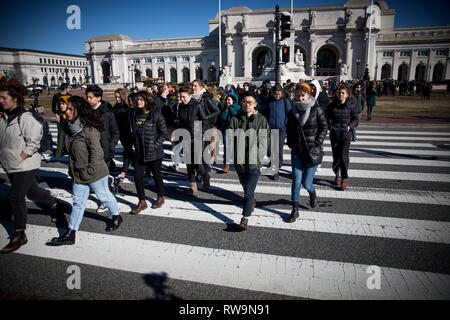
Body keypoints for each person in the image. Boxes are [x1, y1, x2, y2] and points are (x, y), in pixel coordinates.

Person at [0, 79, 68, 254]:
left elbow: (34, 141)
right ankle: (55, 205)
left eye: (3, 97)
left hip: (26, 164)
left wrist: (21, 156)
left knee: (15, 197)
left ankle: (19, 233)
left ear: (15, 98)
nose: (1, 100)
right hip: (10, 163)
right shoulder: (3, 116)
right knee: (32, 191)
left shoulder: (26, 117)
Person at [50, 96, 124, 245]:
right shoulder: (70, 128)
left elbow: (97, 154)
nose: (67, 111)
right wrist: (73, 170)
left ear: (79, 110)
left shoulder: (89, 130)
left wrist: (90, 171)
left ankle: (116, 216)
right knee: (78, 202)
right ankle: (71, 233)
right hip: (78, 173)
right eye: (67, 108)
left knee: (103, 195)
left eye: (70, 109)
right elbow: (72, 153)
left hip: (95, 172)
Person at [286, 82, 328, 223]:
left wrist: (317, 142)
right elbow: (289, 129)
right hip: (297, 152)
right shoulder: (292, 111)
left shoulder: (316, 109)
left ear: (308, 95)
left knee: (306, 183)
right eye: (298, 96)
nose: (300, 99)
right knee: (296, 181)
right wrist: (291, 143)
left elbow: (324, 127)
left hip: (311, 152)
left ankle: (312, 193)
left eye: (303, 96)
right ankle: (295, 209)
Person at [229, 93, 270, 231]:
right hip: (239, 161)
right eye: (245, 102)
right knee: (245, 187)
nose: (247, 104)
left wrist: (258, 157)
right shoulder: (235, 119)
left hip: (254, 161)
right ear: (241, 103)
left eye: (250, 102)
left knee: (248, 191)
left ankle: (245, 218)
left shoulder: (261, 119)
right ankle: (251, 200)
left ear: (255, 104)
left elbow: (264, 141)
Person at [129, 91, 168, 214]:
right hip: (140, 152)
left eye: (141, 99)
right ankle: (142, 201)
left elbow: (163, 134)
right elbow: (134, 133)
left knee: (157, 176)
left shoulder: (156, 115)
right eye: (137, 100)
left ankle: (160, 197)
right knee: (137, 177)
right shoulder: (135, 114)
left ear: (147, 100)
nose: (138, 102)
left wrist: (154, 146)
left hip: (154, 153)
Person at [85, 85, 120, 212]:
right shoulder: (85, 112)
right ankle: (110, 184)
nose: (88, 99)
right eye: (87, 97)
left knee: (101, 178)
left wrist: (111, 146)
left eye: (90, 97)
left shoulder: (107, 113)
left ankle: (106, 201)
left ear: (98, 98)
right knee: (95, 176)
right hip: (90, 149)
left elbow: (115, 132)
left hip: (104, 150)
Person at [177, 86, 210, 195]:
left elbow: (204, 120)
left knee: (196, 162)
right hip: (185, 137)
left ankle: (205, 175)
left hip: (197, 137)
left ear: (190, 96)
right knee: (189, 164)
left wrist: (201, 133)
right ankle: (192, 187)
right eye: (180, 97)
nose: (182, 99)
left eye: (184, 97)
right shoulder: (181, 106)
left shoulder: (197, 105)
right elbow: (180, 122)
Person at [326, 85, 359, 191]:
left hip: (345, 135)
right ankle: (337, 175)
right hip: (335, 135)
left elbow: (355, 119)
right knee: (336, 158)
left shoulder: (351, 106)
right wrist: (329, 126)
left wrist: (350, 126)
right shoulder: (332, 105)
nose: (340, 94)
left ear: (347, 94)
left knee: (344, 158)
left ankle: (343, 179)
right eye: (339, 93)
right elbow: (325, 117)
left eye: (342, 93)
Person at [260, 84, 291, 180]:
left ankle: (276, 169)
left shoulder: (285, 101)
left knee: (277, 150)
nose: (277, 96)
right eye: (275, 94)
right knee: (269, 150)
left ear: (282, 94)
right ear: (272, 93)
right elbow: (263, 113)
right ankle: (274, 161)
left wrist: (285, 123)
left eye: (279, 94)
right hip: (270, 128)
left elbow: (289, 114)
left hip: (281, 129)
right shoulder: (268, 101)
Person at [112, 88, 133, 182]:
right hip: (119, 131)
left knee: (127, 151)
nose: (117, 99)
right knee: (128, 152)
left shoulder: (128, 107)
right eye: (116, 97)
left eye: (119, 97)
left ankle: (124, 171)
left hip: (128, 131)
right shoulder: (116, 107)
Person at [220, 92, 241, 173]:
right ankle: (226, 165)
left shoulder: (238, 107)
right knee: (227, 148)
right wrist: (226, 110)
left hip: (236, 130)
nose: (227, 102)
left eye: (229, 100)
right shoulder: (225, 107)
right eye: (226, 100)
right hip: (226, 130)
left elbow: (237, 116)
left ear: (233, 100)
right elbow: (222, 118)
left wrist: (231, 109)